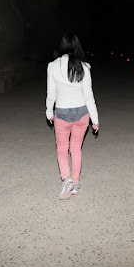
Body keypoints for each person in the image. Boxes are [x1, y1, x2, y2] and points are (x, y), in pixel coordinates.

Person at [45, 32, 99, 200]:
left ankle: (66, 178)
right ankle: (75, 183)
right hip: (82, 113)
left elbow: (51, 94)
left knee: (62, 148)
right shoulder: (85, 67)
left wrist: (49, 112)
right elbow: (89, 95)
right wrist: (95, 119)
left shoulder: (52, 66)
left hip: (62, 113)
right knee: (76, 148)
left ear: (61, 46)